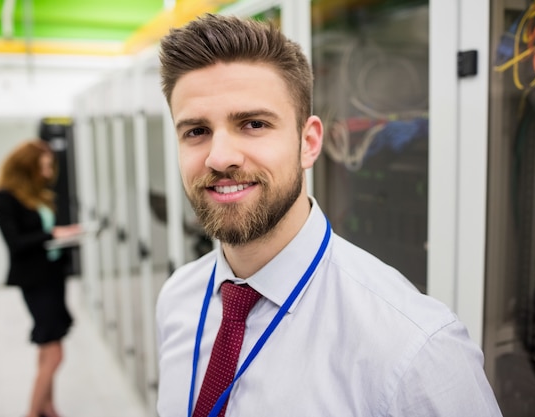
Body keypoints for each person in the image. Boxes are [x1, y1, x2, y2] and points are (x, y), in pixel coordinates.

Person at [156, 13, 503, 417]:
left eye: (253, 124)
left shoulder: (415, 349)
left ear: (309, 142)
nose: (219, 158)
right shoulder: (178, 297)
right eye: (196, 131)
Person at [0, 140, 81, 417]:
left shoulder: (37, 194)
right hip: (34, 280)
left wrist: (65, 233)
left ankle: (48, 407)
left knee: (47, 347)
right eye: (42, 167)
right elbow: (16, 242)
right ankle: (32, 413)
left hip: (52, 276)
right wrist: (55, 234)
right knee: (55, 354)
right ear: (25, 167)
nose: (47, 172)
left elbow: (43, 231)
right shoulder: (4, 198)